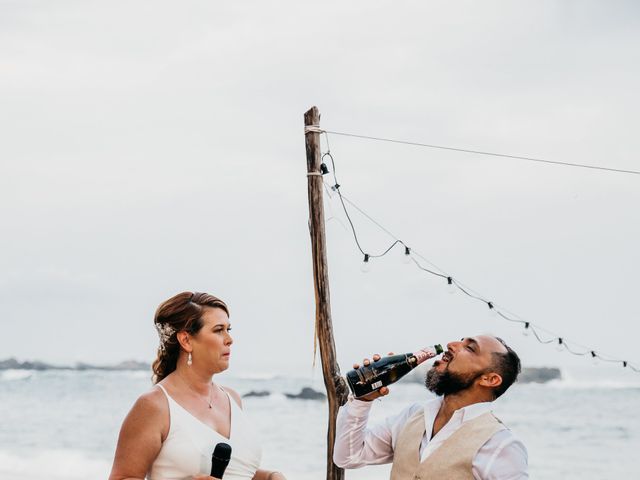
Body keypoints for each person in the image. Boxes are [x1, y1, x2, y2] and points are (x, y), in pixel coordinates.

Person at [109, 291, 286, 480]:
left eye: (229, 329)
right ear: (186, 340)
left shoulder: (232, 399)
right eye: (218, 330)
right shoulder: (155, 405)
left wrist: (269, 477)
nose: (229, 339)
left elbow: (236, 473)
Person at [333, 335, 528, 479]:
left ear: (490, 379)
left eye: (470, 348)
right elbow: (348, 457)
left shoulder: (501, 446)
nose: (451, 345)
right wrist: (363, 401)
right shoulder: (413, 415)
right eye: (460, 341)